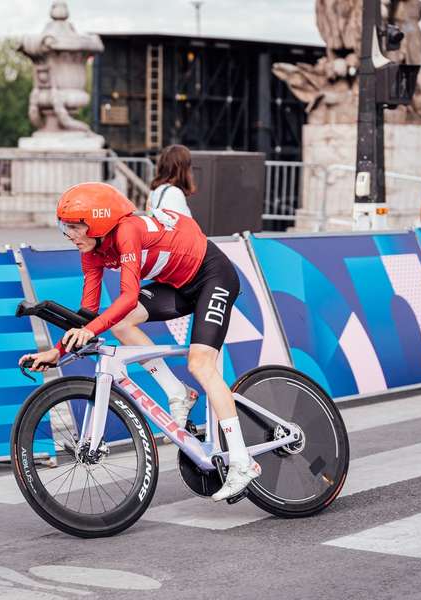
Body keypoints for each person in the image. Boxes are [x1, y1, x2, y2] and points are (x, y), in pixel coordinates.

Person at [19, 182, 260, 501]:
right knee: (119, 324)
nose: (70, 235)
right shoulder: (92, 251)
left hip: (213, 276)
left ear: (99, 222)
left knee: (201, 364)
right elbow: (87, 315)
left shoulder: (127, 231)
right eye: (66, 228)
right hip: (178, 284)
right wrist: (56, 352)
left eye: (76, 227)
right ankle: (177, 391)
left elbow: (129, 297)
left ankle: (243, 462)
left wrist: (90, 330)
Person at [147, 145, 195, 219]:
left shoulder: (154, 191)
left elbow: (149, 214)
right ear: (184, 169)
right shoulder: (174, 193)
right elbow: (181, 225)